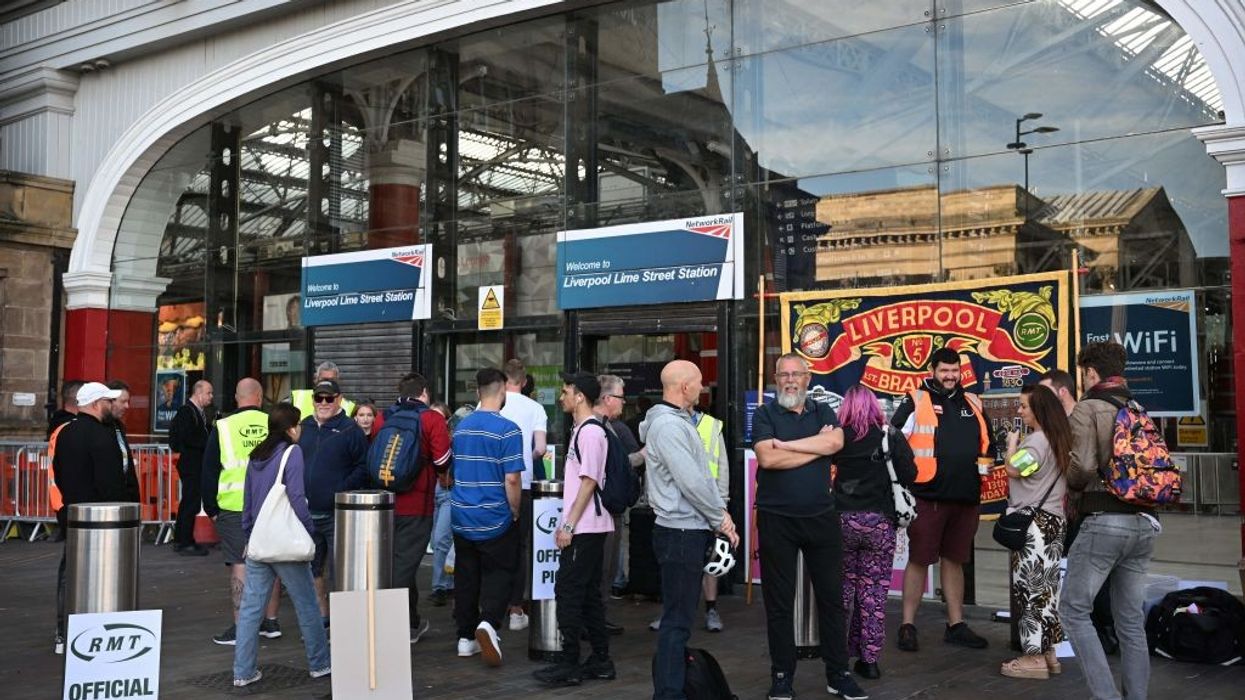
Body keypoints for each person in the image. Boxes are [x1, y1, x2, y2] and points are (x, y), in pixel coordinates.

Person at [753, 354, 864, 700]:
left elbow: (835, 443)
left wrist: (786, 445)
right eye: (783, 374)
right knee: (779, 604)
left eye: (795, 374)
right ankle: (782, 675)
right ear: (775, 378)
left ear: (807, 377)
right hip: (776, 519)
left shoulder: (823, 412)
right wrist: (814, 448)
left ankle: (839, 673)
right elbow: (767, 458)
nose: (789, 380)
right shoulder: (764, 413)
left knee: (832, 600)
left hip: (821, 518)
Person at [1059, 341, 1161, 700]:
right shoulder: (1136, 407)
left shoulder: (1088, 408)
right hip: (1144, 522)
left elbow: (1083, 466)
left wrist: (1068, 480)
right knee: (1131, 620)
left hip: (1105, 520)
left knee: (1072, 609)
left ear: (1089, 372)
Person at [890, 347, 999, 654]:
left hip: (965, 497)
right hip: (928, 497)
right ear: (932, 370)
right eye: (944, 371)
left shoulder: (973, 402)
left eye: (955, 370)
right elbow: (893, 439)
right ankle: (907, 625)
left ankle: (956, 625)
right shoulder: (917, 399)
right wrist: (903, 481)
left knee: (955, 560)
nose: (950, 376)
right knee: (920, 559)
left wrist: (984, 471)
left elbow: (988, 445)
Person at [641, 359, 737, 700]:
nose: (703, 387)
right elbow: (693, 481)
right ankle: (668, 694)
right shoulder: (669, 427)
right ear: (684, 387)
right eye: (698, 382)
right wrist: (721, 519)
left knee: (678, 618)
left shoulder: (676, 423)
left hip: (684, 531)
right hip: (680, 533)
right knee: (677, 623)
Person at [232, 404, 331, 687]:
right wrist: (308, 530)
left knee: (251, 609)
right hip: (286, 543)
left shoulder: (256, 455)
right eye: (298, 424)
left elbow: (247, 502)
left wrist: (248, 535)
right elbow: (297, 497)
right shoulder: (293, 452)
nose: (300, 430)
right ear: (290, 428)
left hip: (260, 543)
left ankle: (243, 671)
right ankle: (319, 664)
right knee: (307, 605)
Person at [534, 372, 616, 686]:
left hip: (586, 527)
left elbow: (589, 480)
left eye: (566, 391)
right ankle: (600, 659)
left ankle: (570, 663)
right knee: (588, 595)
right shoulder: (582, 429)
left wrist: (568, 524)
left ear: (580, 396)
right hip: (587, 525)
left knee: (567, 590)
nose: (561, 396)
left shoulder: (591, 433)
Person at [833, 384, 916, 681]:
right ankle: (869, 661)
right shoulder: (887, 435)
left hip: (842, 521)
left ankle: (839, 658)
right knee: (873, 593)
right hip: (879, 522)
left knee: (842, 591)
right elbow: (911, 474)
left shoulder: (838, 436)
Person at [51, 381, 137, 653]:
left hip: (74, 513)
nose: (113, 405)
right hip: (104, 519)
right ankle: (103, 631)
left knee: (73, 572)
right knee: (105, 575)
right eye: (109, 401)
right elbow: (109, 481)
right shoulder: (102, 436)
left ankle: (66, 632)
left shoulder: (64, 433)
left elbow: (59, 474)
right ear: (97, 403)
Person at [1040, 368, 1119, 655]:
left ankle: (1105, 633)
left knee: (1093, 575)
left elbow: (1084, 466)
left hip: (1090, 506)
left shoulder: (1082, 416)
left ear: (1062, 392)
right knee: (1082, 574)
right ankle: (1098, 634)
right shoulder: (1058, 423)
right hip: (1075, 509)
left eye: (1045, 392)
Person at [450, 368, 523, 667]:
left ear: (478, 392)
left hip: (461, 515)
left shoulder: (461, 428)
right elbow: (513, 480)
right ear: (503, 391)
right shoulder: (509, 430)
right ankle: (489, 622)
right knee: (500, 573)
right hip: (494, 517)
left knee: (467, 577)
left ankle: (465, 638)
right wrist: (515, 510)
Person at [202, 378, 283, 645]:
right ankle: (270, 622)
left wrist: (212, 508)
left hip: (234, 508)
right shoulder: (273, 424)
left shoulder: (223, 427)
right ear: (260, 398)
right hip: (271, 505)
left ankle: (241, 628)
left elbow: (210, 469)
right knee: (270, 561)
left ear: (237, 398)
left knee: (240, 564)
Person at [1000, 384, 1071, 680]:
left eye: (1024, 406)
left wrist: (1012, 444)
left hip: (1035, 526)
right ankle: (1049, 653)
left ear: (1039, 410)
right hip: (1054, 523)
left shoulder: (1037, 442)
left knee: (1030, 592)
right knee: (1047, 592)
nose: (1020, 411)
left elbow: (1014, 469)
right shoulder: (1059, 440)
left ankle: (1033, 658)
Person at [385, 373, 452, 644]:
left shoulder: (384, 416)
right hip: (417, 505)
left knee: (399, 563)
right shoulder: (431, 419)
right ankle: (394, 627)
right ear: (424, 392)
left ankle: (410, 623)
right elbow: (442, 459)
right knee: (403, 568)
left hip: (383, 504)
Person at [298, 378, 370, 622]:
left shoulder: (351, 429)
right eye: (319, 398)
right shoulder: (304, 426)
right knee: (312, 567)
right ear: (313, 400)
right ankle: (322, 618)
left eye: (330, 398)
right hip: (306, 513)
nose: (324, 403)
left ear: (339, 399)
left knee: (340, 570)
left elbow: (363, 467)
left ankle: (343, 621)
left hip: (337, 514)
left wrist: (340, 490)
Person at [498, 358, 547, 632]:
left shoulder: (491, 405)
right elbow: (540, 448)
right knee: (520, 546)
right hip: (524, 483)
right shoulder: (535, 408)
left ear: (504, 381)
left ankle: (492, 604)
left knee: (494, 545)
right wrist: (523, 459)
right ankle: (517, 608)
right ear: (524, 381)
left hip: (493, 484)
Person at [595, 374, 643, 611]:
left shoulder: (609, 427)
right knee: (603, 566)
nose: (624, 403)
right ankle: (595, 623)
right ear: (607, 398)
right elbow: (612, 465)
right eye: (621, 398)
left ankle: (598, 618)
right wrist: (643, 455)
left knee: (608, 566)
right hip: (602, 509)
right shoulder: (599, 428)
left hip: (607, 507)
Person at [169, 379, 214, 555]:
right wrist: (206, 442)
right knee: (190, 501)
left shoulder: (198, 412)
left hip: (194, 463)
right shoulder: (187, 412)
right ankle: (184, 540)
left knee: (190, 501)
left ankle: (182, 539)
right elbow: (184, 437)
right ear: (198, 392)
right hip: (191, 463)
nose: (211, 397)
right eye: (209, 393)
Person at [429, 400, 456, 607]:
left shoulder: (453, 439)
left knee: (441, 539)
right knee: (438, 539)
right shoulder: (425, 438)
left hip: (448, 492)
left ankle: (440, 587)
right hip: (432, 492)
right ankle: (447, 583)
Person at [290, 361, 357, 418]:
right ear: (316, 379)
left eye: (331, 380)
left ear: (337, 381)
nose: (327, 383)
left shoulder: (349, 406)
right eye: (324, 380)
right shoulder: (297, 397)